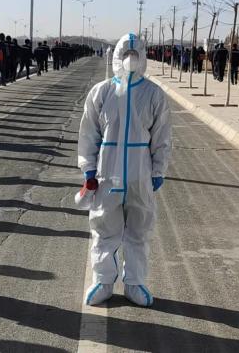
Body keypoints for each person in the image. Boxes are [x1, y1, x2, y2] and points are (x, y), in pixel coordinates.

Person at [77, 33, 172, 307]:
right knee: (103, 226)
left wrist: (158, 170)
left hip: (140, 174)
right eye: (125, 55)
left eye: (135, 55)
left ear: (142, 57)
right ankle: (103, 280)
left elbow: (162, 137)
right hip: (107, 173)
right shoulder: (101, 92)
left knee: (139, 229)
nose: (130, 60)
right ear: (117, 57)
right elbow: (88, 133)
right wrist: (88, 168)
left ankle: (135, 282)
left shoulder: (153, 94)